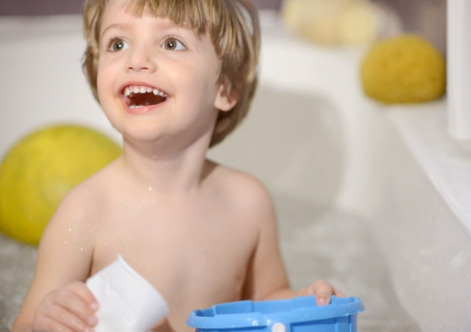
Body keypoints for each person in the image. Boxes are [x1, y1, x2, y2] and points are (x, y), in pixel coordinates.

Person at [11, 0, 342, 331]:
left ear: (226, 87)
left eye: (171, 43)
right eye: (118, 44)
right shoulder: (86, 212)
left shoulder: (247, 203)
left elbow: (267, 297)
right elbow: (24, 323)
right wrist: (45, 322)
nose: (136, 60)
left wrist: (305, 304)